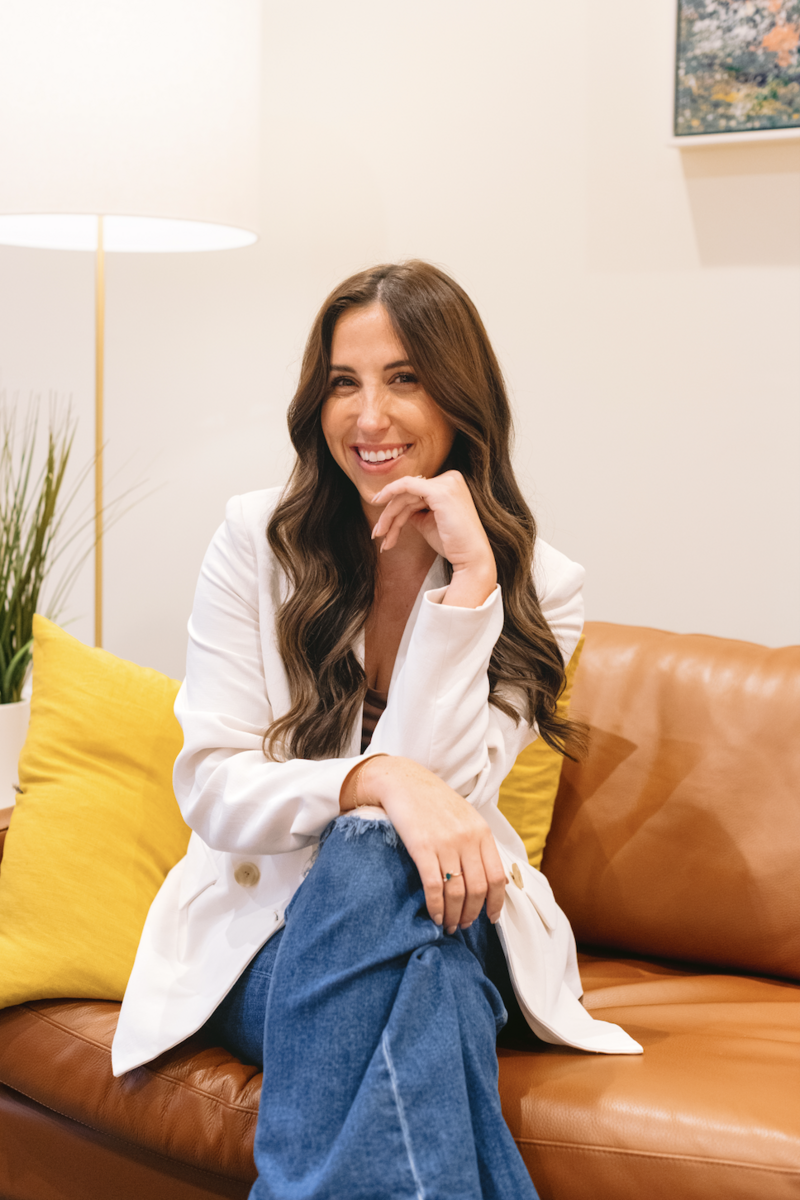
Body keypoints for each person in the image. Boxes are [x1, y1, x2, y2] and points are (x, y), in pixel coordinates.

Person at [111, 261, 640, 1199]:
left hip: (454, 910)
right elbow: (214, 785)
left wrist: (471, 586)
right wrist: (373, 781)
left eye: (403, 379)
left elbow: (445, 804)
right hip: (267, 935)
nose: (369, 418)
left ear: (460, 395)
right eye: (343, 384)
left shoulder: (541, 586)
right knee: (419, 989)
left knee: (372, 856)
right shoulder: (256, 540)